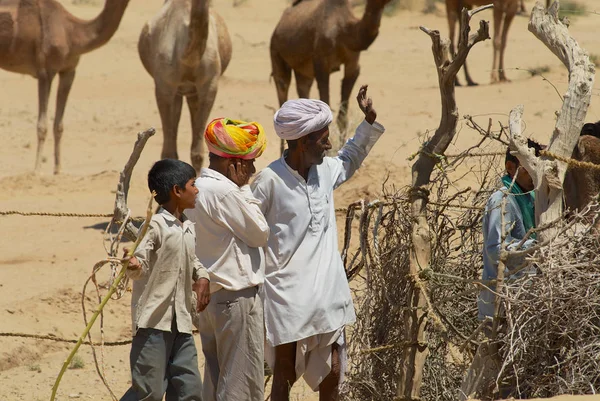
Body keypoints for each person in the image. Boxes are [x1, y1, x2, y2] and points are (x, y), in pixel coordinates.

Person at [251, 85, 385, 400]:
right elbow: (246, 228)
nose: (329, 143)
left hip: (327, 294)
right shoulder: (269, 181)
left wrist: (367, 123)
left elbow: (349, 158)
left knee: (334, 369)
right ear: (301, 141)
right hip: (288, 298)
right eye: (323, 137)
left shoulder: (324, 170)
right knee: (284, 372)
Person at [187, 118, 269, 401]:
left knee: (215, 382)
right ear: (234, 164)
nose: (253, 169)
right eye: (249, 162)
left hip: (209, 302)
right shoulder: (225, 192)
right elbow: (260, 233)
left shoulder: (196, 187)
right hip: (235, 300)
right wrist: (244, 189)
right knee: (240, 388)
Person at [120, 159, 210, 401]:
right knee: (148, 392)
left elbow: (193, 260)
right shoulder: (155, 225)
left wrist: (202, 276)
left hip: (181, 322)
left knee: (189, 390)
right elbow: (140, 261)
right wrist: (133, 264)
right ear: (177, 191)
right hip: (153, 324)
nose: (197, 189)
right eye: (193, 184)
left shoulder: (188, 227)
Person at [460, 139, 543, 400]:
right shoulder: (502, 200)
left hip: (523, 300)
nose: (536, 174)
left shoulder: (531, 198)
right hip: (500, 302)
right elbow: (497, 250)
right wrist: (540, 243)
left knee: (514, 372)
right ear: (511, 168)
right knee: (489, 367)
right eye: (530, 168)